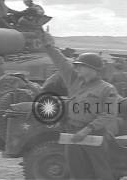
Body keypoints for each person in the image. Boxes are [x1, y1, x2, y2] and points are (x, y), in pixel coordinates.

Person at [42, 33, 119, 180]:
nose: (77, 69)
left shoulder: (107, 89)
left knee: (100, 172)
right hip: (73, 132)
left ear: (93, 69)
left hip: (94, 134)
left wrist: (86, 130)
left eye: (81, 66)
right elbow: (62, 63)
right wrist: (49, 47)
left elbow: (108, 114)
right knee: (76, 172)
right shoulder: (75, 81)